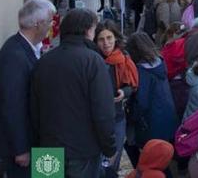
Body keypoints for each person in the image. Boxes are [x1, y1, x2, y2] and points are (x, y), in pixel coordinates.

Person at [31, 9, 116, 177]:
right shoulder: (93, 61)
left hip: (47, 149)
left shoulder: (44, 61)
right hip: (82, 151)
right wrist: (110, 147)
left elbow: (33, 108)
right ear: (87, 31)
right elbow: (103, 111)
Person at [0, 0, 55, 178]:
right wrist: (21, 149)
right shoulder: (13, 56)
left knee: (50, 174)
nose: (51, 26)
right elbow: (12, 105)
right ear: (38, 24)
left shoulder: (29, 48)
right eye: (50, 22)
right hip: (24, 147)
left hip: (39, 139)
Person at [124, 32, 178, 168]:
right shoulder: (160, 63)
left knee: (153, 163)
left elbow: (142, 103)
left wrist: (130, 117)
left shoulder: (141, 71)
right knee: (163, 161)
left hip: (150, 124)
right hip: (167, 119)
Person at [95, 20, 138, 178]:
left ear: (116, 38)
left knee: (114, 159)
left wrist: (123, 92)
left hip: (118, 116)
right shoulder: (92, 59)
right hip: (97, 119)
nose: (106, 43)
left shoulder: (123, 58)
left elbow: (132, 84)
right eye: (101, 39)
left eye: (109, 38)